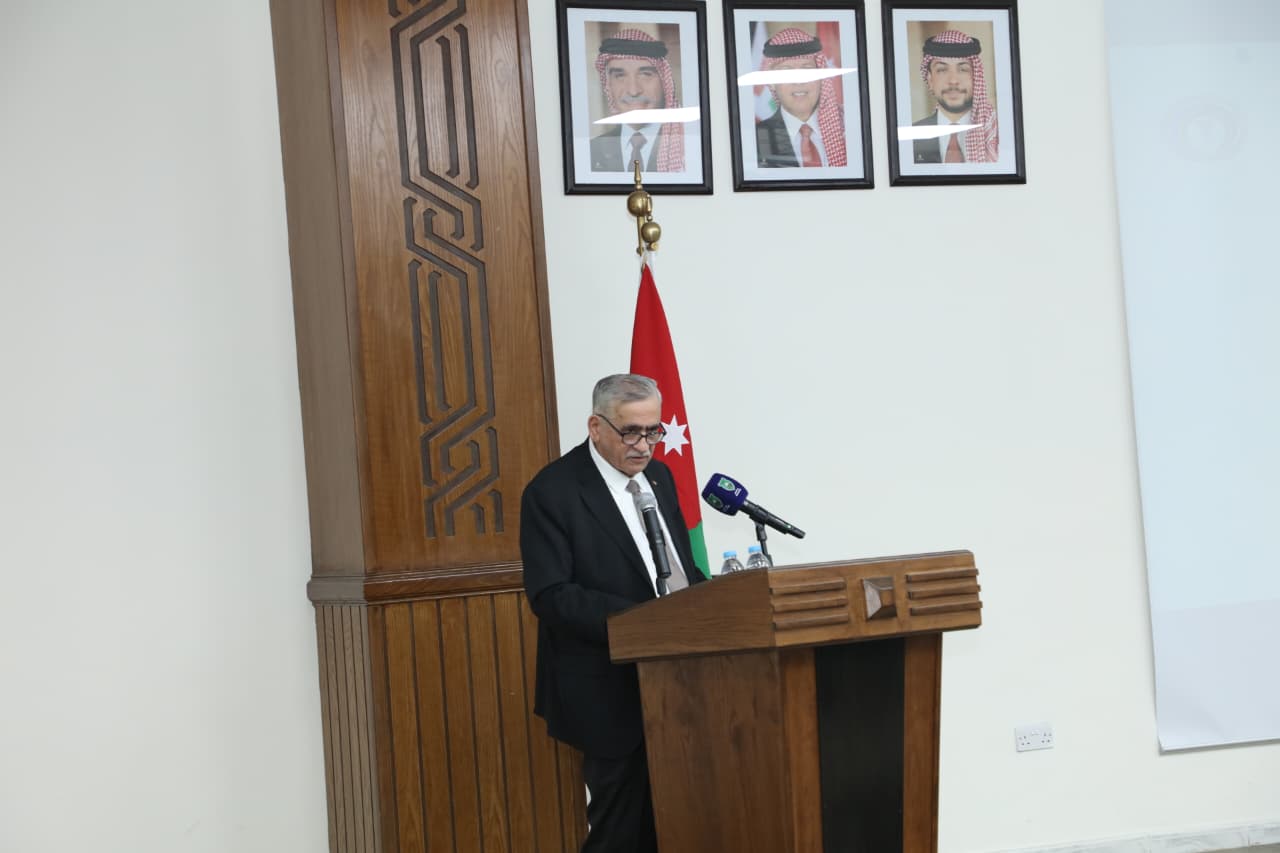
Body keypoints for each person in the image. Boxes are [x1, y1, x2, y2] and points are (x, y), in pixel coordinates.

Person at [521, 374, 705, 853]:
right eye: (630, 432)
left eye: (653, 431)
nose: (643, 445)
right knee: (621, 833)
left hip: (683, 682)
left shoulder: (660, 477)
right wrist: (645, 620)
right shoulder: (553, 491)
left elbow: (681, 572)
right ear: (596, 427)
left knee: (685, 823)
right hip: (607, 690)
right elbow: (551, 595)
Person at [590, 30, 685, 173]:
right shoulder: (591, 150)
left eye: (645, 74)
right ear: (608, 85)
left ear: (664, 83)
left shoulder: (688, 148)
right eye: (620, 76)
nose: (633, 91)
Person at [755, 27, 847, 169]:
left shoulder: (848, 128)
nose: (799, 82)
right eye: (787, 72)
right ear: (772, 82)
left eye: (807, 70)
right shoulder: (756, 139)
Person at [912, 29, 999, 164]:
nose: (953, 80)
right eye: (942, 70)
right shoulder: (911, 137)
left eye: (963, 70)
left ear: (976, 77)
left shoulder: (996, 133)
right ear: (930, 80)